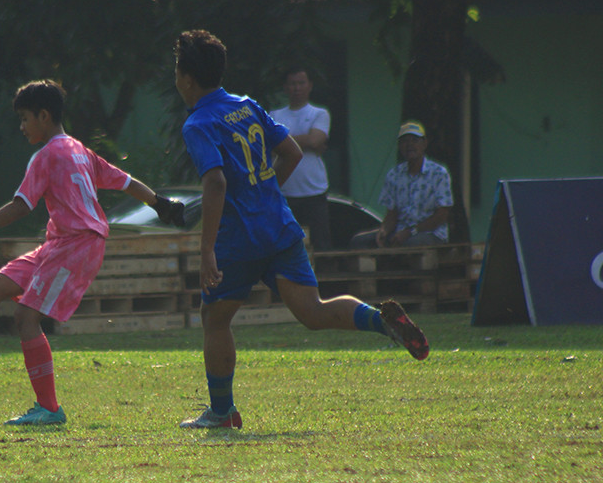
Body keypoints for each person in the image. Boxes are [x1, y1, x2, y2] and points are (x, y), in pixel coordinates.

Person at [173, 29, 429, 430]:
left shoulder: (198, 123)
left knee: (215, 319)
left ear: (187, 78)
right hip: (279, 226)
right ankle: (380, 321)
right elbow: (291, 151)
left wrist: (206, 250)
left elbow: (217, 182)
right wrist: (266, 193)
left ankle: (222, 412)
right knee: (313, 310)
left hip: (239, 239)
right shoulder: (246, 106)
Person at [0, 79, 185, 426]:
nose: (21, 127)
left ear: (44, 115)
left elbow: (21, 206)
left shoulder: (48, 154)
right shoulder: (80, 150)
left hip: (77, 245)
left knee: (26, 318)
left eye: (25, 119)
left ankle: (49, 409)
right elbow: (126, 182)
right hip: (60, 244)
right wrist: (161, 204)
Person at [349, 121, 453, 249]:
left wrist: (411, 232)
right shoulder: (394, 174)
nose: (409, 145)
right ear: (399, 146)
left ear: (424, 143)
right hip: (399, 233)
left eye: (415, 140)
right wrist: (384, 230)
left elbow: (442, 215)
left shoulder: (439, 173)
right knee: (359, 241)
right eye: (404, 141)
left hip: (430, 234)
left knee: (409, 244)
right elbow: (392, 214)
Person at [270, 65, 333, 250]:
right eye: (292, 84)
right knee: (285, 244)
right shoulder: (275, 115)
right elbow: (269, 146)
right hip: (284, 190)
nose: (296, 88)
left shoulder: (319, 113)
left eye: (301, 83)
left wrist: (284, 143)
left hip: (314, 190)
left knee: (321, 244)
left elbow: (316, 140)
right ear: (285, 88)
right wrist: (306, 141)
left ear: (310, 85)